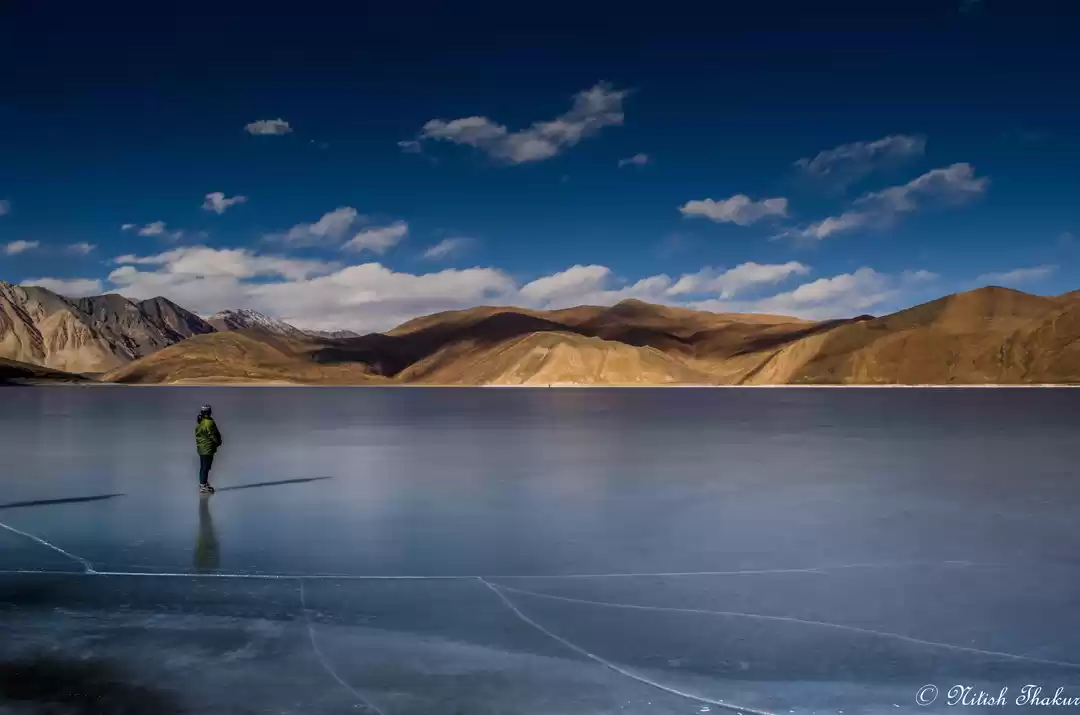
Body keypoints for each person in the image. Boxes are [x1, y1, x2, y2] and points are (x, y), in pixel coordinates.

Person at [195, 404, 223, 493]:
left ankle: (203, 483)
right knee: (206, 467)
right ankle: (203, 485)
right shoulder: (209, 422)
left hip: (202, 448)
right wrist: (218, 442)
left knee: (203, 466)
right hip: (207, 448)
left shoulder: (201, 422)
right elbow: (212, 435)